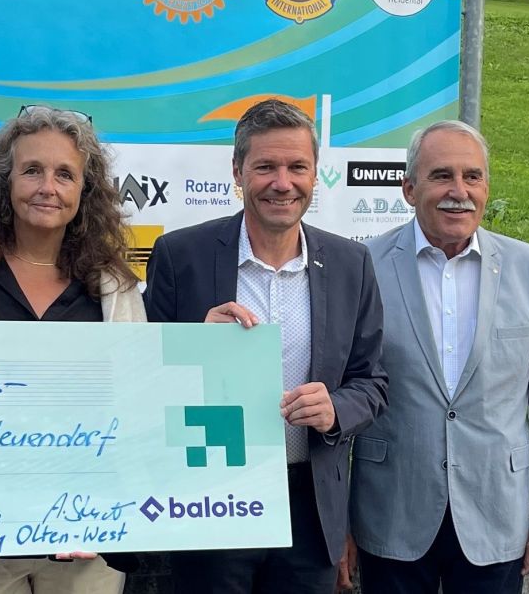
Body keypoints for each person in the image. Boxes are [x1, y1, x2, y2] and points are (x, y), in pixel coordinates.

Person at [115, 98, 386, 593]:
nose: (282, 183)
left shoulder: (352, 263)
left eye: (297, 167)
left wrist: (336, 409)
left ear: (315, 173)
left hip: (309, 504)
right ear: (237, 171)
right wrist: (195, 343)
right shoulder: (181, 255)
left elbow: (372, 381)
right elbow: (139, 377)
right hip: (211, 496)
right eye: (265, 167)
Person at [0, 105, 144, 594]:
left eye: (64, 174)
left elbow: (140, 401)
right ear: (5, 181)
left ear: (84, 190)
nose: (47, 187)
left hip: (84, 536)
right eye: (32, 170)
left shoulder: (115, 286)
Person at [345, 120, 529, 593]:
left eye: (473, 177)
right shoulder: (362, 267)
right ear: (409, 189)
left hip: (498, 512)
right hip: (390, 511)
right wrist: (339, 523)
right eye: (442, 175)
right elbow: (344, 394)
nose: (459, 192)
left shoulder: (528, 269)